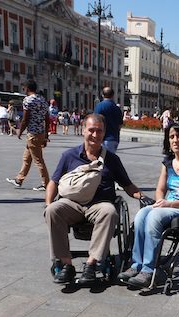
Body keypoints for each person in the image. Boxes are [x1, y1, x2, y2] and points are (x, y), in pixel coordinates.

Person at [45, 113, 144, 285]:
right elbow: (53, 182)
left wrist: (142, 196)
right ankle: (66, 264)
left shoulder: (112, 159)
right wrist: (48, 203)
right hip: (72, 204)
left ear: (104, 133)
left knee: (110, 211)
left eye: (99, 131)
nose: (95, 135)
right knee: (53, 210)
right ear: (83, 131)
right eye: (91, 130)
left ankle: (91, 263)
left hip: (99, 205)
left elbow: (127, 185)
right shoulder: (69, 156)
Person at [118, 122, 179, 289]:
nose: (175, 140)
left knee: (154, 216)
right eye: (171, 137)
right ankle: (136, 265)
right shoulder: (167, 163)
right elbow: (160, 189)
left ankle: (149, 270)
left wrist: (170, 203)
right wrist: (160, 201)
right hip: (168, 206)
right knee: (142, 214)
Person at [6, 80, 50, 191]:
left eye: (24, 88)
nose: (24, 90)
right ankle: (19, 179)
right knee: (27, 158)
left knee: (39, 160)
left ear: (27, 88)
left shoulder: (28, 100)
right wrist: (46, 134)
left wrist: (20, 131)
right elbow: (47, 119)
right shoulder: (43, 100)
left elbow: (25, 119)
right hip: (40, 133)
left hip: (32, 134)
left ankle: (46, 183)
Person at [94, 87, 123, 153]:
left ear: (102, 95)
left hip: (103, 138)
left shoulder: (99, 106)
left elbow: (95, 122)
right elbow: (120, 125)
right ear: (113, 95)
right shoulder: (117, 108)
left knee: (103, 161)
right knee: (110, 160)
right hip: (114, 138)